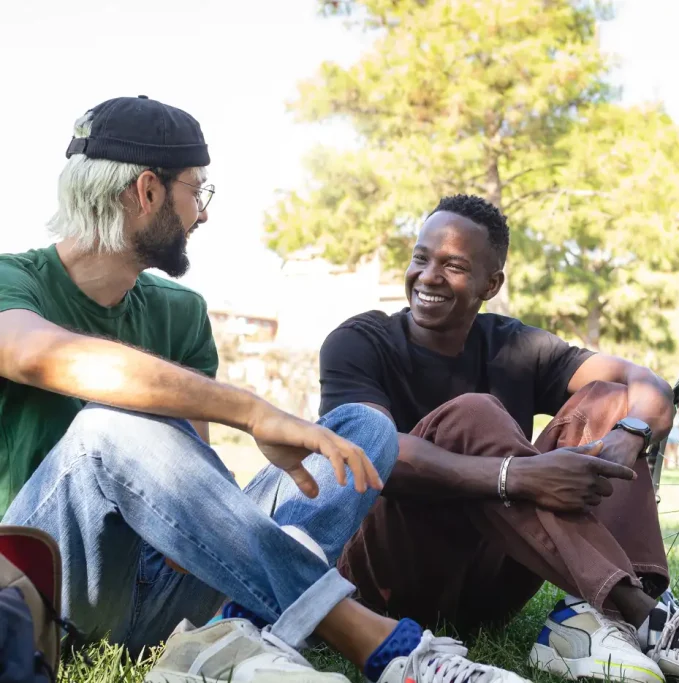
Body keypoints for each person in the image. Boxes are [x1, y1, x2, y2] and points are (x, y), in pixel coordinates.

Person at [0, 96, 529, 683]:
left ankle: (231, 632)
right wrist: (253, 414)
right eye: (195, 191)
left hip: (166, 592)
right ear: (146, 192)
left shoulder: (180, 313)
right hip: (52, 587)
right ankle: (369, 638)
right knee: (109, 427)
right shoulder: (11, 281)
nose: (202, 214)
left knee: (363, 427)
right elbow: (36, 355)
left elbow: (184, 478)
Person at [319, 194, 679, 683]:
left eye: (453, 266)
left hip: (485, 591)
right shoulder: (359, 342)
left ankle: (595, 623)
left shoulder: (514, 345)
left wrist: (629, 434)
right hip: (382, 586)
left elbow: (645, 384)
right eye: (421, 258)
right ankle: (647, 618)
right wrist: (517, 476)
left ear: (491, 283)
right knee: (474, 414)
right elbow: (373, 454)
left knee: (609, 399)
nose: (429, 277)